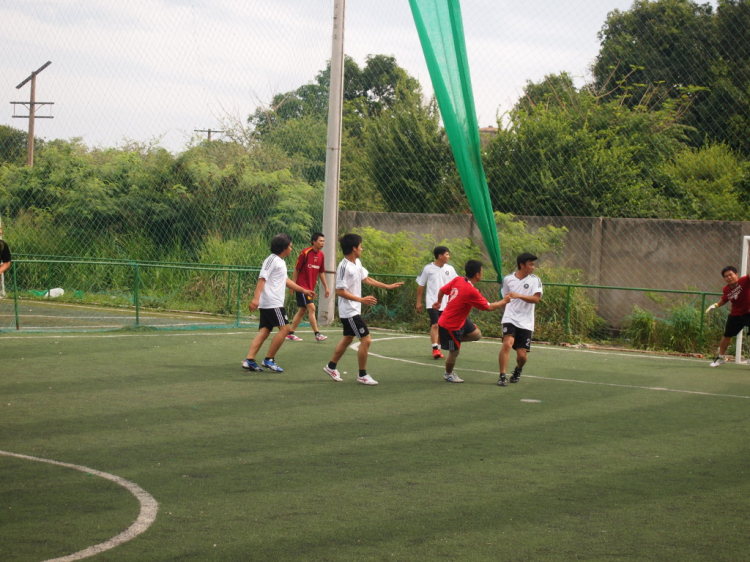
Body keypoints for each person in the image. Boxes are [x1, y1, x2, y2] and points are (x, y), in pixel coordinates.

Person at [323, 233, 403, 385]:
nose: (362, 248)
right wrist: (361, 299)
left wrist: (387, 286)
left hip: (354, 309)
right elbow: (340, 291)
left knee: (348, 338)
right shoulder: (344, 266)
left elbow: (365, 278)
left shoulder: (357, 263)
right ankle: (362, 375)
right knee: (366, 340)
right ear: (354, 248)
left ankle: (331, 366)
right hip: (349, 311)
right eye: (360, 246)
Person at [242, 234, 315, 373]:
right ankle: (269, 359)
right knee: (286, 329)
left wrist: (303, 290)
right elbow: (262, 278)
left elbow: (286, 281)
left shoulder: (280, 261)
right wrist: (256, 298)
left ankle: (249, 360)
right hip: (272, 303)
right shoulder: (272, 260)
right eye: (290, 247)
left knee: (264, 331)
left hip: (271, 303)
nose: (291, 249)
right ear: (284, 248)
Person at [433, 259, 508, 383]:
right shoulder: (471, 291)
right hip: (450, 324)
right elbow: (488, 307)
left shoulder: (459, 280)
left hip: (460, 319)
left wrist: (439, 301)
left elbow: (442, 290)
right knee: (455, 351)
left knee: (476, 334)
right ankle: (448, 374)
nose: (482, 273)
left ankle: (448, 339)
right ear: (477, 275)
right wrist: (504, 301)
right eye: (481, 271)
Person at [497, 253, 543, 387]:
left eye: (534, 264)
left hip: (526, 321)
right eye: (531, 264)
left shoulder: (535, 280)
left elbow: (536, 299)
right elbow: (505, 298)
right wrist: (507, 312)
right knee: (507, 343)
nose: (533, 267)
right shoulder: (508, 279)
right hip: (510, 317)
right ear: (522, 265)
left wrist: (519, 295)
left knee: (522, 356)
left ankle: (518, 369)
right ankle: (502, 376)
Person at [286, 232, 331, 342]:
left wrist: (326, 287)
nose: (322, 243)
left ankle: (290, 333)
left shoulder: (321, 255)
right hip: (301, 287)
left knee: (302, 310)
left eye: (323, 241)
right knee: (312, 308)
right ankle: (317, 334)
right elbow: (296, 269)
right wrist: (293, 285)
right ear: (314, 242)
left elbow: (321, 272)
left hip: (310, 288)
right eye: (320, 241)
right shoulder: (305, 253)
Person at [416, 246, 458, 359]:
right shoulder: (427, 269)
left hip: (446, 304)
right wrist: (418, 302)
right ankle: (435, 349)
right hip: (432, 302)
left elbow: (457, 284)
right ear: (440, 256)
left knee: (442, 326)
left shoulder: (450, 269)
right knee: (435, 324)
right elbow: (420, 285)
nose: (449, 257)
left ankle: (438, 349)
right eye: (447, 254)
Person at [705, 265, 750, 367]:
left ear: (736, 275)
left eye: (731, 275)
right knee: (726, 336)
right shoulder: (726, 289)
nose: (729, 277)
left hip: (748, 313)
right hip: (736, 315)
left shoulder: (744, 281)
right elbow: (724, 299)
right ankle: (721, 358)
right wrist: (715, 305)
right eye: (726, 276)